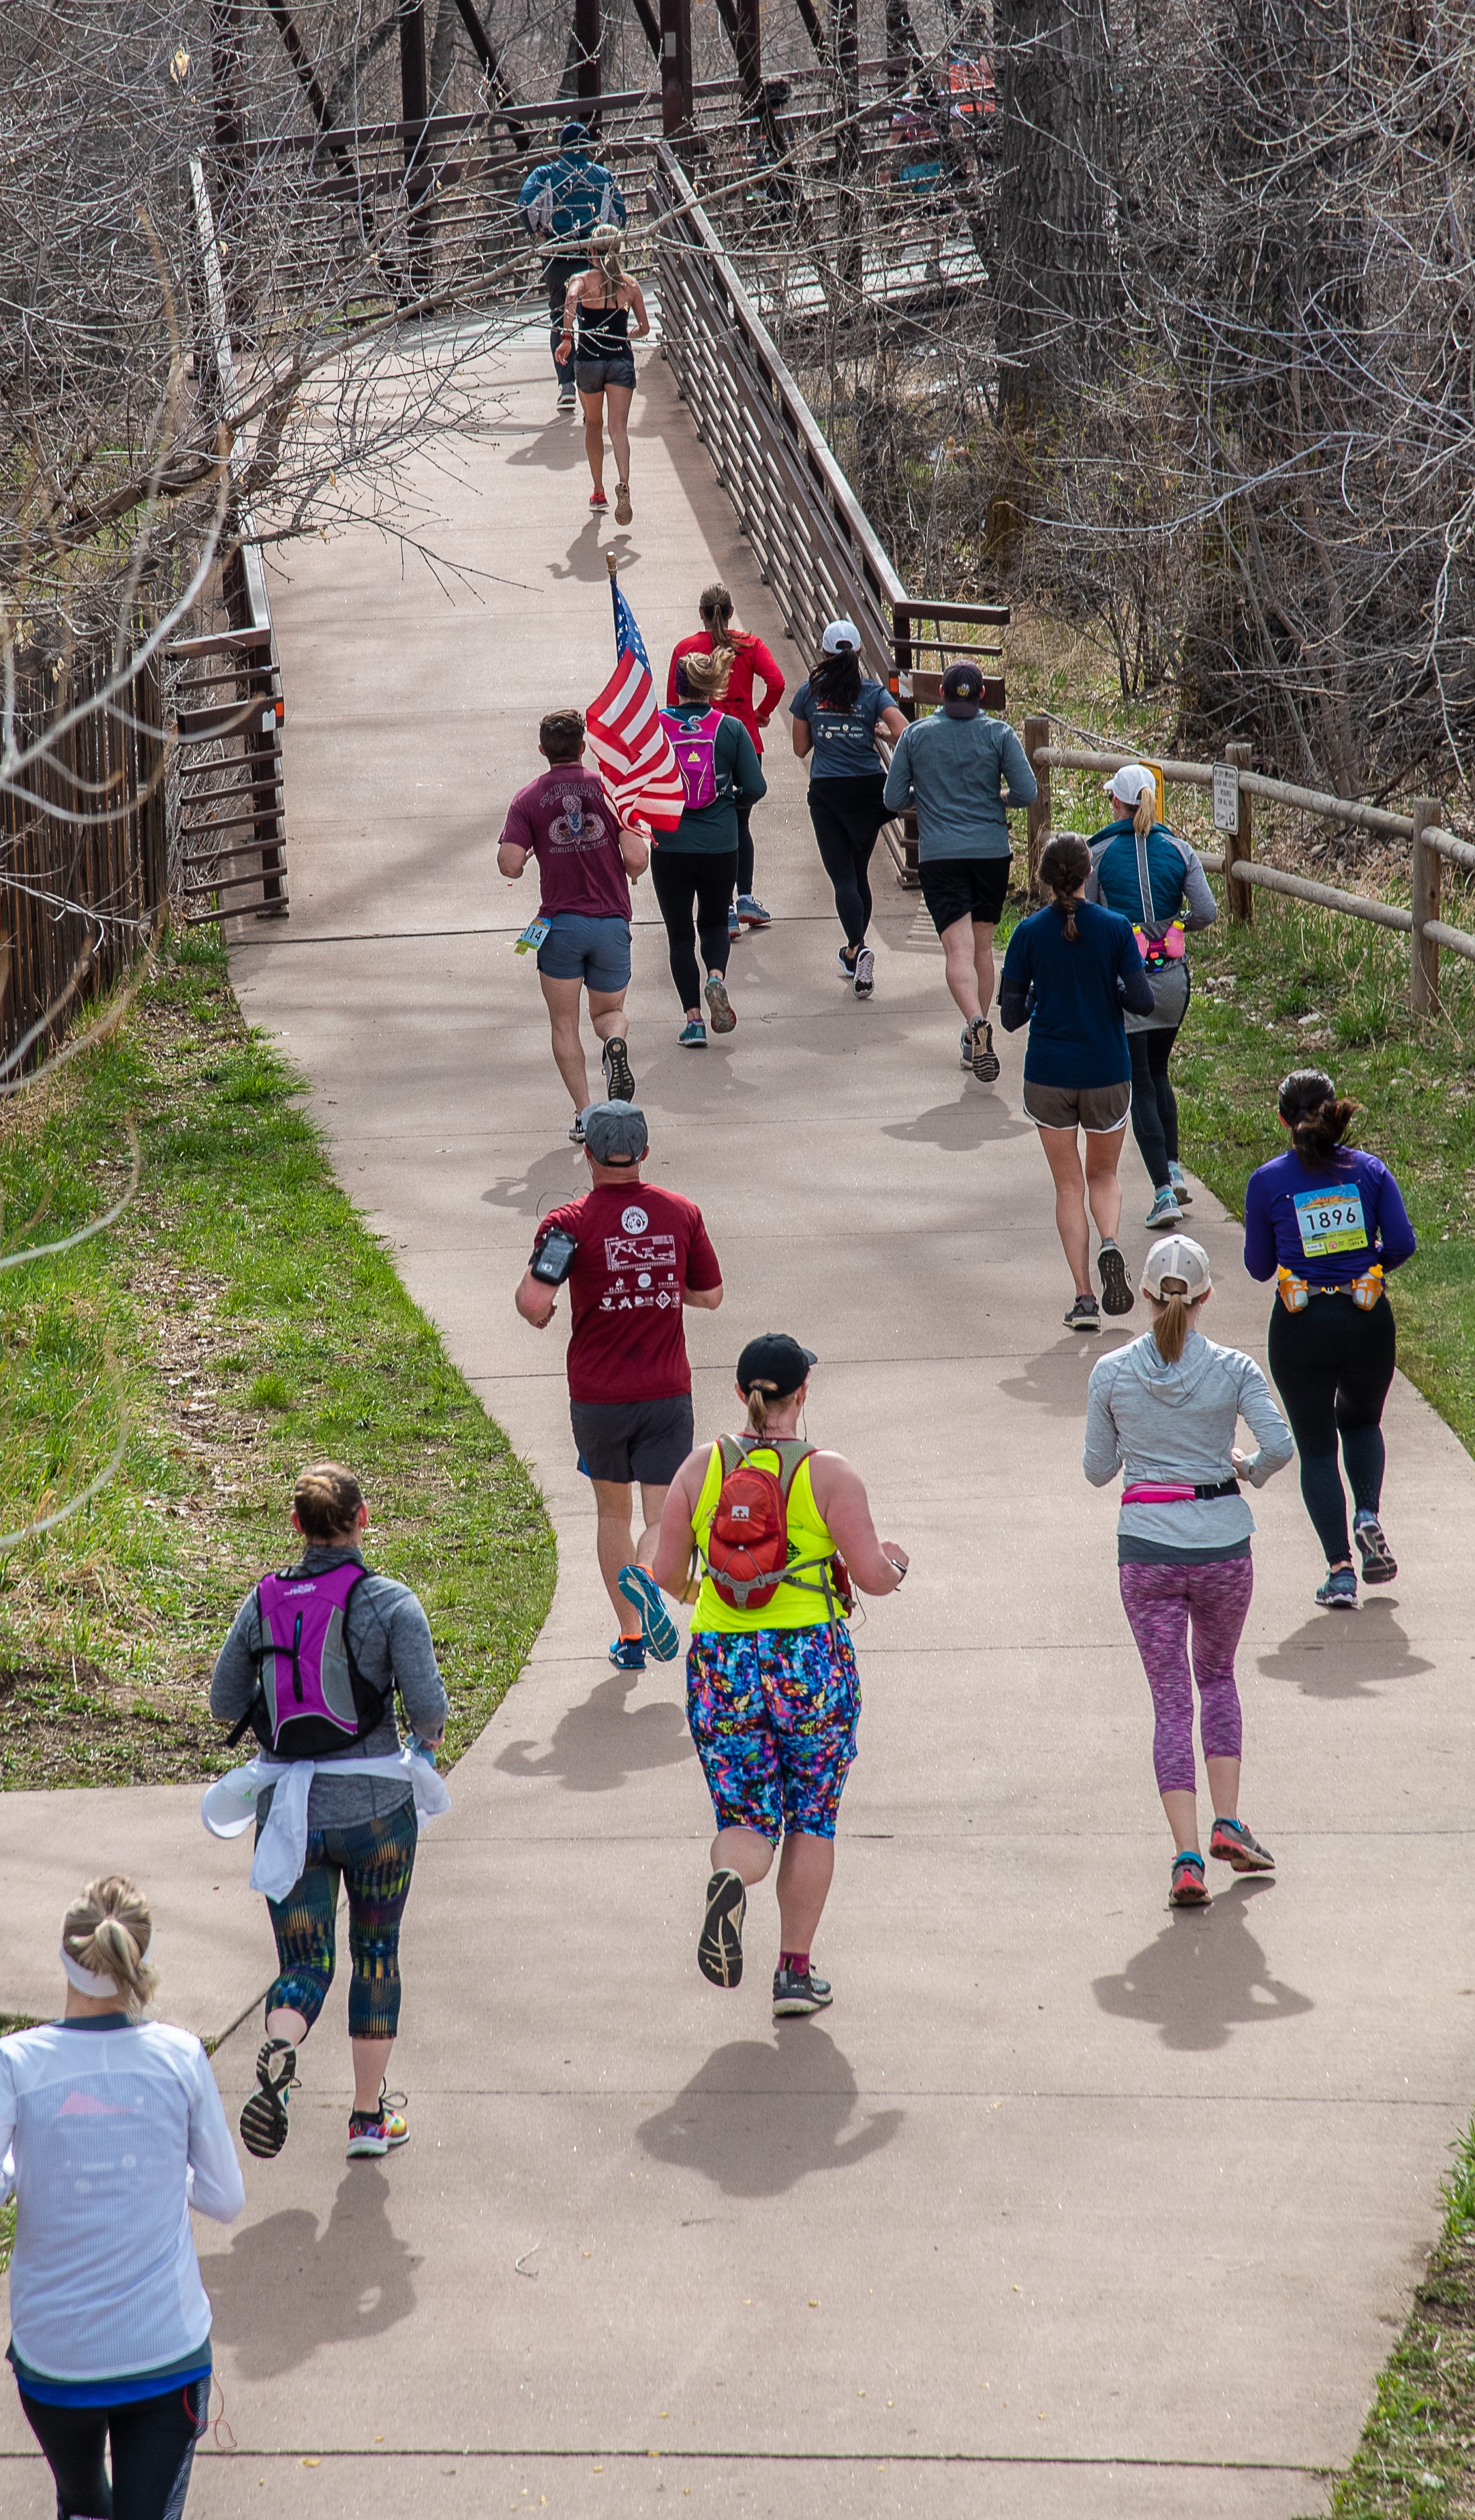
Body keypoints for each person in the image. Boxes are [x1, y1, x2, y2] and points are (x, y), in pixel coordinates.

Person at [0, 1874, 244, 2520]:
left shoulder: (14, 2063)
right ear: (139, 1959)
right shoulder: (181, 2058)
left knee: (83, 2501)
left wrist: (25, 2171)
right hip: (166, 2353)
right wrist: (164, 2176)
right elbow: (225, 2199)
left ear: (64, 1956)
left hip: (56, 2360)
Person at [650, 1333, 909, 2016]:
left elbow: (666, 1576)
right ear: (803, 1393)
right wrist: (895, 1563)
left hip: (721, 1662)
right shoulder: (830, 1474)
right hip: (810, 1660)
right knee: (813, 1815)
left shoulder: (700, 1468)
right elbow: (874, 1579)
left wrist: (709, 1587)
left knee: (744, 1814)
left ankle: (732, 1875)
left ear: (739, 1393)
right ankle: (794, 1973)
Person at [209, 1463, 448, 2162]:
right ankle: (368, 2120)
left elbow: (225, 1702)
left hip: (293, 1815)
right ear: (362, 1517)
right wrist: (424, 1745)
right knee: (376, 1952)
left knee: (306, 1961)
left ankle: (281, 2045)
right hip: (377, 1812)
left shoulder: (263, 1601)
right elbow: (428, 1709)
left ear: (296, 1527)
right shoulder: (391, 1603)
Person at [1084, 1236, 1294, 1909]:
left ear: (1145, 1296)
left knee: (1171, 1698)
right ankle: (1228, 1821)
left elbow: (1096, 1469)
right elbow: (1281, 1445)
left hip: (1145, 1550)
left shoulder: (1111, 1372)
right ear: (1205, 1297)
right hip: (1222, 1548)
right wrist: (1244, 1468)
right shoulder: (1234, 1368)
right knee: (1217, 1678)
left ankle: (1184, 1859)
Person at [516, 1099, 724, 1672]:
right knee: (660, 1517)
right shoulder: (681, 1213)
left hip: (598, 1395)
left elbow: (534, 1301)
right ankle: (648, 1581)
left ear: (588, 1154)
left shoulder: (567, 1224)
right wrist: (655, 1282)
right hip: (665, 1391)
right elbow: (709, 1296)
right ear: (645, 1154)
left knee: (612, 1515)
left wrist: (549, 1308)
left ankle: (630, 1639)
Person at [1243, 1069, 1418, 1609]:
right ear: (1333, 1110)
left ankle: (1341, 1571)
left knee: (1318, 1447)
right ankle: (1367, 1513)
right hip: (1366, 1319)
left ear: (1281, 1120)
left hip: (1301, 1325)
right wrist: (1371, 1264)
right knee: (1363, 1421)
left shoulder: (1268, 1181)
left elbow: (1257, 1266)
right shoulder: (1369, 1171)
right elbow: (1404, 1242)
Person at [998, 832, 1156, 1329]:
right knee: (1103, 1177)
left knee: (1068, 1187)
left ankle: (1085, 1298)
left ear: (1044, 878)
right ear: (1089, 873)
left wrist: (1041, 998)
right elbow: (1144, 1001)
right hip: (1106, 1070)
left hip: (1049, 1074)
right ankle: (1111, 1240)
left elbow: (1009, 1016)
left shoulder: (1026, 934)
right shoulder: (1114, 930)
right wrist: (1110, 988)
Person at [879, 658, 1037, 1081]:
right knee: (982, 948)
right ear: (981, 695)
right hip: (990, 852)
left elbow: (893, 797)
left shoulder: (915, 735)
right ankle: (975, 1035)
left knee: (957, 951)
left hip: (941, 855)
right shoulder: (999, 734)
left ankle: (974, 1024)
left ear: (941, 694)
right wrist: (997, 799)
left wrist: (928, 796)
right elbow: (1027, 791)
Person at [498, 706, 650, 1144]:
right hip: (611, 923)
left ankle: (586, 1114)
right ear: (584, 747)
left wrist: (527, 855)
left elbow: (509, 865)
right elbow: (637, 859)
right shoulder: (611, 790)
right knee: (608, 1012)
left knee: (563, 1024)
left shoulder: (528, 799)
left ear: (543, 750)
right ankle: (614, 1043)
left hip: (560, 926)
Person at [1088, 765, 1218, 1228]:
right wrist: (1174, 926)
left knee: (1138, 1082)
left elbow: (1086, 915)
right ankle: (1175, 1167)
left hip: (1127, 982)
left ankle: (1162, 1191)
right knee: (1160, 1072)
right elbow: (1206, 910)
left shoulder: (1098, 853)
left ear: (1117, 805)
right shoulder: (1180, 850)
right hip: (1172, 981)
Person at [649, 646, 765, 1046]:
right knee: (715, 922)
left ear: (677, 688)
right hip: (720, 845)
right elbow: (756, 786)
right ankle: (716, 977)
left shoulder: (657, 726)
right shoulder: (731, 728)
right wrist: (734, 802)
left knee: (680, 934)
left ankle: (694, 1021)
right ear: (711, 686)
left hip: (670, 844)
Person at [789, 619, 906, 997]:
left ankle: (859, 947)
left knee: (842, 878)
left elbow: (800, 748)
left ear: (824, 653)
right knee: (858, 874)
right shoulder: (873, 693)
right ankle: (855, 952)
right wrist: (882, 734)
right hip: (868, 791)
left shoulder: (809, 692)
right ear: (858, 654)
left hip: (827, 794)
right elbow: (906, 732)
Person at [669, 582, 786, 932]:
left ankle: (726, 909)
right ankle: (746, 897)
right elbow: (777, 682)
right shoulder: (749, 645)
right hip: (745, 740)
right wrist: (760, 713)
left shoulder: (686, 650)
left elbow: (674, 702)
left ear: (701, 614)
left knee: (707, 818)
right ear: (731, 611)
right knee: (741, 823)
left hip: (701, 745)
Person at [516, 121, 624, 417]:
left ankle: (566, 386)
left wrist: (537, 231)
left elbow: (525, 205)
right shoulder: (602, 177)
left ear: (562, 148)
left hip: (557, 254)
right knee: (593, 314)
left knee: (559, 316)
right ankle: (595, 381)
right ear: (587, 146)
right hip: (592, 256)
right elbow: (619, 216)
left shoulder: (545, 174)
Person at [558, 225, 651, 523]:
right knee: (618, 429)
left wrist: (567, 336)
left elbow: (571, 299)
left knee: (593, 424)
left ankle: (598, 490)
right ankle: (624, 484)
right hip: (619, 361)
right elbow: (645, 328)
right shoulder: (630, 286)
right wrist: (627, 335)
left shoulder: (582, 280)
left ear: (592, 250)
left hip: (589, 362)